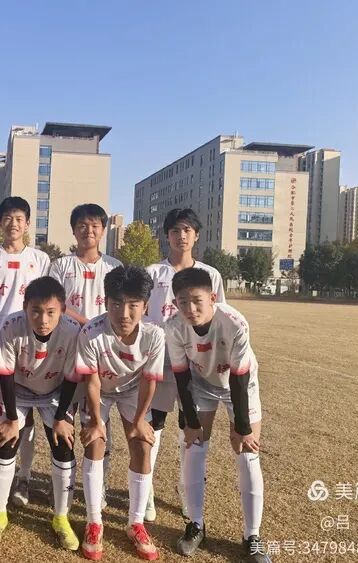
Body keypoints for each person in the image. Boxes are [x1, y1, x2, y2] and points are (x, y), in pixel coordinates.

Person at [166, 267, 270, 563]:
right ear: (175, 303)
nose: (190, 309)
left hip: (239, 383)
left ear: (212, 297)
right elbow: (181, 376)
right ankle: (195, 524)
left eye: (197, 300)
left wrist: (242, 427)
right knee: (194, 447)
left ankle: (252, 535)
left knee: (247, 452)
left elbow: (239, 377)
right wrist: (190, 422)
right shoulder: (173, 326)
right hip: (200, 384)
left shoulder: (234, 322)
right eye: (183, 302)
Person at [0, 276, 81, 550]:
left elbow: (72, 378)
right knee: (6, 442)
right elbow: (4, 374)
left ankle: (61, 518)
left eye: (51, 312)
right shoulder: (11, 325)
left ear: (63, 310)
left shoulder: (72, 331)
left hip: (55, 393)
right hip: (18, 389)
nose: (43, 320)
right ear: (25, 307)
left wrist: (61, 418)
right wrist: (12, 419)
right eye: (35, 311)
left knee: (63, 446)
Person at [74, 265, 164, 561]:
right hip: (99, 391)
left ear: (145, 306)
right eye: (116, 304)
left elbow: (149, 381)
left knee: (142, 446)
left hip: (131, 392)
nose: (124, 314)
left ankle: (135, 523)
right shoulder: (91, 333)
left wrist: (139, 421)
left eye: (133, 305)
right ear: (105, 302)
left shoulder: (154, 335)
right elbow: (91, 381)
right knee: (94, 444)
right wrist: (96, 421)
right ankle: (94, 522)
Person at [144, 207, 225, 521]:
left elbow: (218, 320)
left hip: (196, 367)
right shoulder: (153, 273)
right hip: (159, 363)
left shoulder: (210, 275)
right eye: (175, 230)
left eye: (187, 230)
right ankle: (146, 491)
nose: (181, 236)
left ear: (197, 235)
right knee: (153, 426)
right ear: (167, 235)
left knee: (189, 428)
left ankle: (186, 489)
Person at [0, 196, 50, 505]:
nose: (13, 224)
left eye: (19, 218)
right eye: (8, 218)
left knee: (24, 411)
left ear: (27, 224)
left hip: (28, 344)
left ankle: (23, 477)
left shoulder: (40, 259)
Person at [46, 203, 122, 508]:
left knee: (98, 421)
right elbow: (56, 304)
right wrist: (88, 324)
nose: (88, 231)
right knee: (63, 417)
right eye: (82, 225)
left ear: (103, 230)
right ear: (74, 230)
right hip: (66, 351)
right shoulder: (61, 266)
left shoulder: (114, 267)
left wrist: (97, 330)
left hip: (103, 356)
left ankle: (98, 486)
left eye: (94, 225)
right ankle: (63, 486)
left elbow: (122, 308)